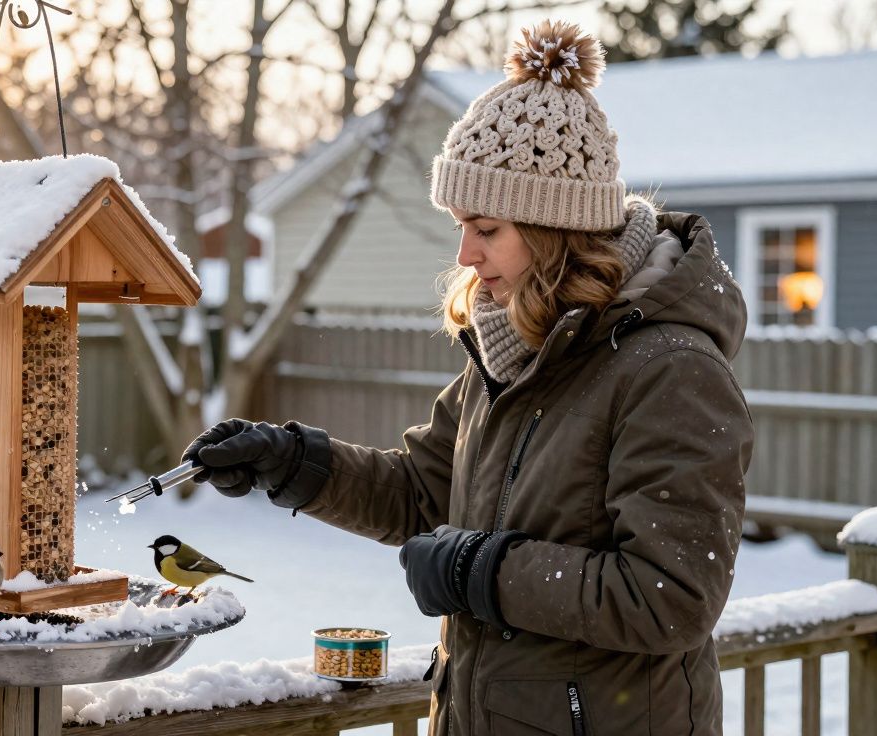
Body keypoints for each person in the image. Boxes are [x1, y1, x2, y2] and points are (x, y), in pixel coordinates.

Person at [184, 20, 752, 736]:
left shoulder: (669, 370)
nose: (465, 253)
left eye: (486, 228)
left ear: (555, 228)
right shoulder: (512, 350)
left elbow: (669, 597)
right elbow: (425, 494)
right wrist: (294, 463)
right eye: (460, 224)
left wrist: (483, 571)